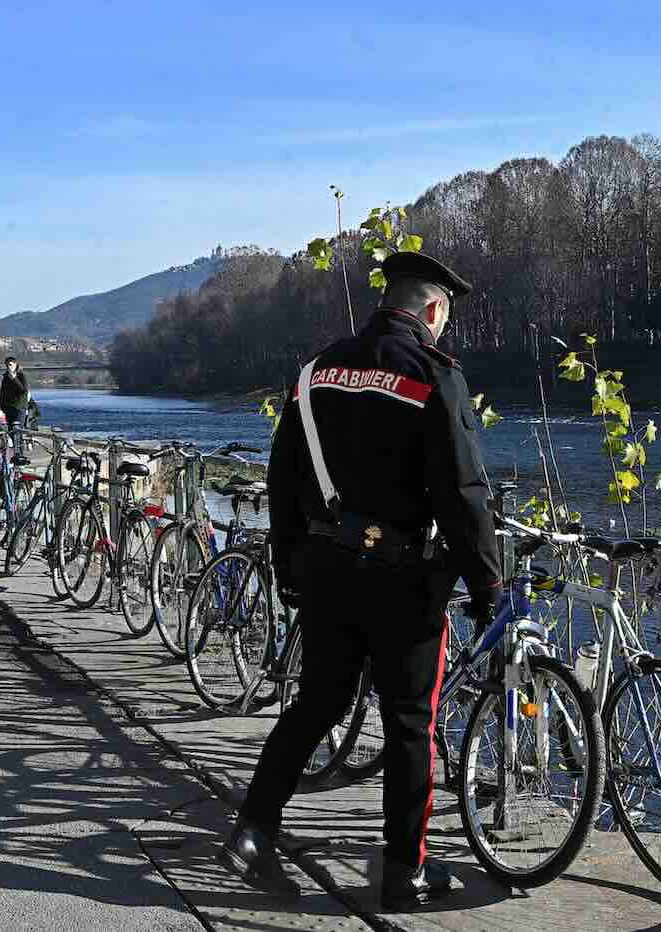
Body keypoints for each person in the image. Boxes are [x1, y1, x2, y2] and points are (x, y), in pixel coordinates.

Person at [217, 252, 502, 910]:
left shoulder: (317, 371)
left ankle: (253, 830)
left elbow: (283, 477)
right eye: (446, 319)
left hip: (325, 570)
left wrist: (289, 569)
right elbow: (463, 494)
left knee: (317, 702)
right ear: (433, 312)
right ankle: (404, 872)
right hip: (403, 579)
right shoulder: (434, 375)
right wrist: (489, 590)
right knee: (409, 722)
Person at [0, 357, 30, 430]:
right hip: (8, 408)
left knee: (18, 430)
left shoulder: (21, 375)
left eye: (10, 365)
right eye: (7, 365)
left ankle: (19, 441)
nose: (9, 367)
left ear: (16, 364)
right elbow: (3, 392)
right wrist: (1, 405)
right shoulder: (5, 377)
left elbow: (24, 391)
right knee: (11, 430)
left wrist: (14, 379)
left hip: (19, 408)